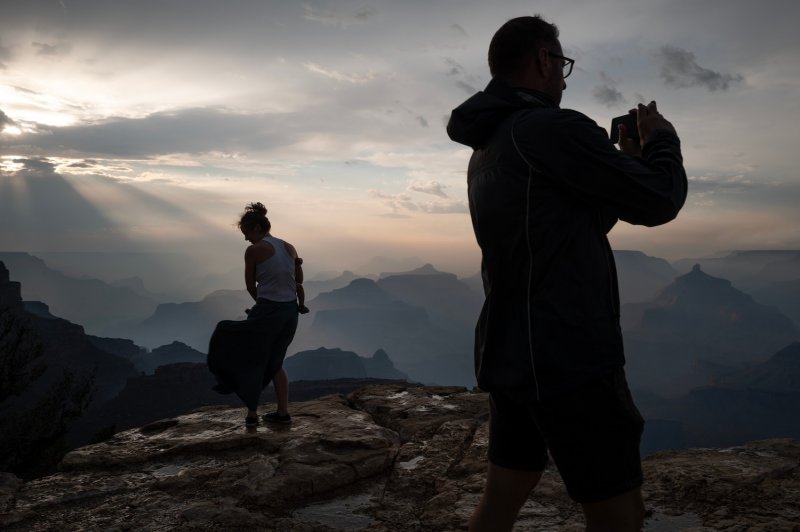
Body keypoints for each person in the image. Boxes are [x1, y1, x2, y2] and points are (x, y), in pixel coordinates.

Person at [446, 15, 687, 532]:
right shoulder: (551, 128)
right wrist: (663, 142)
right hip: (568, 355)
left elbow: (585, 221)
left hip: (509, 350)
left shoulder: (491, 144)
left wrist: (622, 162)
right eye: (562, 65)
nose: (562, 77)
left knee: (499, 503)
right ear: (543, 60)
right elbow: (660, 200)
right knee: (619, 515)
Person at [207, 202, 305, 427]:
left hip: (268, 310)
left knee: (244, 350)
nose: (245, 239)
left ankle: (252, 415)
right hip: (290, 312)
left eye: (247, 233)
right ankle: (283, 413)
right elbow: (298, 279)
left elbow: (250, 285)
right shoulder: (289, 246)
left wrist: (261, 306)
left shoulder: (254, 250)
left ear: (258, 228)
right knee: (275, 361)